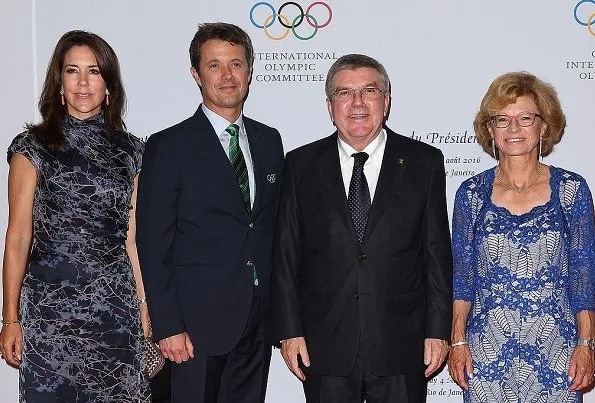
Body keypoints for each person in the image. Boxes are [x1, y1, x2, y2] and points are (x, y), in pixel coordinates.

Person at [271, 53, 453, 403]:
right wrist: (289, 332)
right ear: (329, 105)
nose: (357, 103)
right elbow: (285, 257)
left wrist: (438, 332)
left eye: (369, 91)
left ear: (386, 102)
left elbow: (435, 255)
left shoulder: (423, 161)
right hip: (324, 346)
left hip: (402, 342)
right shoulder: (300, 164)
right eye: (344, 93)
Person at [136, 22, 284, 403]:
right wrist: (168, 325)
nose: (227, 75)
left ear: (250, 72)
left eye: (236, 64)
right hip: (193, 328)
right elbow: (153, 243)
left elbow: (268, 229)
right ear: (196, 74)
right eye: (215, 65)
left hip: (257, 321)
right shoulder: (168, 146)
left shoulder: (269, 140)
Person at [0, 30, 151, 401]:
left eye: (94, 71)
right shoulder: (32, 147)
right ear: (59, 82)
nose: (83, 82)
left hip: (116, 310)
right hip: (50, 315)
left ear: (109, 84)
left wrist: (145, 308)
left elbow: (132, 240)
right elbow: (18, 237)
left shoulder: (132, 151)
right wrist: (10, 318)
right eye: (72, 71)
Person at [448, 71, 595, 402]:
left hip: (557, 348)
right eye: (502, 119)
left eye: (525, 118)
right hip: (487, 348)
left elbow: (583, 275)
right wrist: (458, 341)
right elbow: (462, 276)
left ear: (543, 126)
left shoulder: (571, 190)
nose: (513, 129)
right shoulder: (471, 194)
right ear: (490, 129)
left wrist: (586, 344)